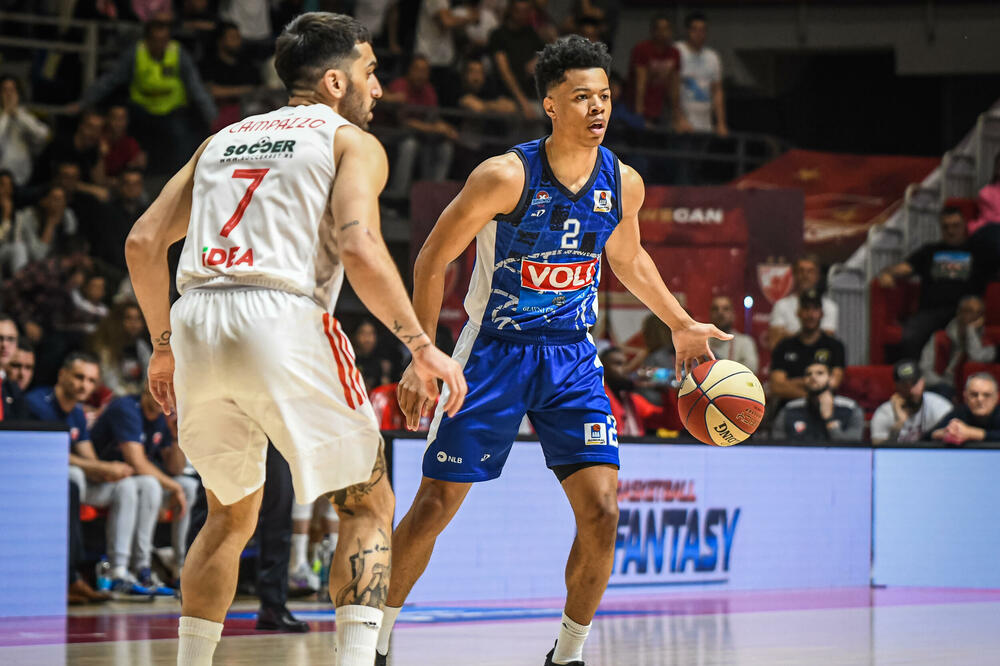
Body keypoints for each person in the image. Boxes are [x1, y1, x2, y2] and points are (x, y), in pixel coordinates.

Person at [123, 13, 465, 665]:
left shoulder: (221, 140)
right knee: (367, 503)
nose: (379, 89)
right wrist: (421, 345)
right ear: (336, 82)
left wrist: (163, 345)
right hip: (282, 312)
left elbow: (142, 241)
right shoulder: (350, 142)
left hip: (196, 319)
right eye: (370, 73)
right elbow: (359, 246)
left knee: (228, 514)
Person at [378, 36, 729, 666]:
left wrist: (679, 322)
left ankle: (567, 656)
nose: (597, 109)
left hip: (572, 358)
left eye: (605, 97)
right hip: (493, 353)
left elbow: (628, 257)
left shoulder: (622, 181)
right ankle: (372, 645)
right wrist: (421, 352)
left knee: (603, 511)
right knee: (434, 505)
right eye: (582, 97)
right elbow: (433, 257)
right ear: (550, 104)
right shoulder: (505, 176)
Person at [27, 353, 153, 594]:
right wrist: (103, 468)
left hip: (77, 486)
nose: (84, 385)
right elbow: (50, 454)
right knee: (73, 475)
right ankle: (70, 571)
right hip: (44, 484)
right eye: (79, 377)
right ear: (62, 374)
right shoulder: (37, 403)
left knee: (126, 486)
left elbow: (90, 460)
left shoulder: (76, 412)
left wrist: (109, 472)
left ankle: (119, 571)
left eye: (91, 380)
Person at [90, 387, 199, 591]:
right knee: (151, 485)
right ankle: (135, 568)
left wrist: (176, 435)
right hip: (103, 479)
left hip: (135, 481)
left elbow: (175, 468)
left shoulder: (162, 417)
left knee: (190, 487)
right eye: (160, 391)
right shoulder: (126, 408)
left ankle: (180, 567)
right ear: (148, 388)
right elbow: (137, 462)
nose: (165, 399)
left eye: (171, 394)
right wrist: (173, 487)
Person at [76, 18, 216, 174]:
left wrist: (212, 117)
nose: (160, 44)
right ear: (147, 39)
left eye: (164, 40)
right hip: (140, 109)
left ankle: (181, 178)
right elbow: (111, 79)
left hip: (172, 110)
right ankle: (123, 174)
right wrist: (83, 102)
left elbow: (195, 86)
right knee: (118, 124)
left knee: (183, 138)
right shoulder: (136, 52)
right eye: (156, 40)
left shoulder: (178, 53)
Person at [878, 206, 983, 359]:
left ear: (964, 225)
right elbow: (903, 268)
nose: (951, 231)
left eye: (955, 226)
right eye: (946, 227)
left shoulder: (977, 251)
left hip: (962, 311)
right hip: (930, 311)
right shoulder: (930, 251)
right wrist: (886, 273)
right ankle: (911, 373)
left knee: (967, 335)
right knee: (910, 336)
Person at [382, 55, 458, 198]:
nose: (421, 74)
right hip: (394, 135)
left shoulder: (428, 90)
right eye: (417, 70)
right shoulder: (400, 86)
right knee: (410, 145)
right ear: (409, 71)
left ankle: (433, 196)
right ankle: (398, 196)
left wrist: (446, 128)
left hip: (422, 137)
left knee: (445, 147)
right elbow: (405, 123)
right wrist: (435, 129)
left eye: (425, 71)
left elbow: (433, 118)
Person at [769, 291, 846, 402]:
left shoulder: (835, 346)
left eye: (815, 309)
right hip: (789, 407)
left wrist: (795, 382)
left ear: (822, 314)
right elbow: (777, 387)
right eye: (806, 309)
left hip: (825, 406)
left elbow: (833, 383)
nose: (811, 315)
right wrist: (814, 390)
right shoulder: (784, 346)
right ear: (798, 313)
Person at [919, 295, 996, 397]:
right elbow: (924, 368)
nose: (974, 316)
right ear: (959, 313)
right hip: (937, 387)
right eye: (969, 311)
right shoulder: (939, 337)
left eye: (978, 313)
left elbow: (977, 358)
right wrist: (943, 384)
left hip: (970, 393)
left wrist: (970, 331)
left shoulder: (987, 343)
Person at [772, 361, 863, 443]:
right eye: (808, 374)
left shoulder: (850, 408)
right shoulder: (790, 409)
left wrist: (829, 419)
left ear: (831, 378)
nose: (813, 377)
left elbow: (853, 447)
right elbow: (777, 445)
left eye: (820, 373)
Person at [199, 21, 263, 131]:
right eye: (232, 37)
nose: (237, 41)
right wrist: (245, 91)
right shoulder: (208, 64)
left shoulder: (247, 64)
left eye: (238, 37)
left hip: (248, 115)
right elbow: (211, 91)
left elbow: (260, 89)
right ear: (220, 41)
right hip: (218, 116)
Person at [870, 360, 952, 445]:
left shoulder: (939, 405)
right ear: (895, 386)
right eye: (904, 385)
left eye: (914, 383)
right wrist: (898, 424)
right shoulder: (884, 412)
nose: (911, 390)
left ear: (922, 382)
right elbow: (877, 448)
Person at [488, 0, 546, 119]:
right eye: (519, 11)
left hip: (531, 95)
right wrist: (523, 102)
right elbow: (505, 72)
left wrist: (537, 60)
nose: (523, 15)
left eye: (526, 11)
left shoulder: (531, 33)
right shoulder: (498, 35)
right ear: (511, 11)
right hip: (506, 95)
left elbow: (545, 53)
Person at [767, 255, 838, 349]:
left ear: (817, 275)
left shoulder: (829, 307)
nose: (805, 275)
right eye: (801, 271)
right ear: (794, 274)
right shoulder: (781, 305)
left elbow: (826, 343)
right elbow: (775, 343)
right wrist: (810, 335)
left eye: (810, 271)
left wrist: (787, 335)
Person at [676, 11, 727, 136]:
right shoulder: (677, 51)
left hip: (705, 125)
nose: (699, 34)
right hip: (681, 125)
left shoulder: (712, 57)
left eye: (702, 30)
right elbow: (670, 88)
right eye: (695, 30)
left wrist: (721, 122)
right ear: (687, 31)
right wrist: (679, 118)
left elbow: (717, 91)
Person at [628, 15, 682, 128]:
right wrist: (639, 113)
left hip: (661, 108)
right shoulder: (642, 49)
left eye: (666, 29)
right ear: (653, 31)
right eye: (659, 29)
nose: (663, 33)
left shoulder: (674, 53)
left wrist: (677, 115)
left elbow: (674, 85)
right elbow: (640, 83)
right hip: (638, 107)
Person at [90, 301, 152, 397]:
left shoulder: (141, 346)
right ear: (118, 320)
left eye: (138, 319)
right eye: (128, 318)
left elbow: (148, 376)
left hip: (138, 396)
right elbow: (110, 383)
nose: (134, 323)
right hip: (113, 397)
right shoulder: (107, 347)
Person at [0, 75, 52, 186]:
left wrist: (17, 115)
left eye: (12, 90)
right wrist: (6, 114)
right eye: (5, 90)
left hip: (24, 179)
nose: (9, 94)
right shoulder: (2, 117)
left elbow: (43, 135)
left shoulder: (26, 115)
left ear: (18, 93)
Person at [600, 346, 663, 437]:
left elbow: (670, 422)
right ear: (603, 369)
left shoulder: (633, 399)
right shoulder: (596, 397)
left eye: (626, 364)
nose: (625, 369)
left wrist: (665, 392)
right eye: (618, 364)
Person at [927, 372, 1000, 445]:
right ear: (965, 396)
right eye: (974, 395)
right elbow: (928, 436)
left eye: (986, 395)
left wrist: (971, 433)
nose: (980, 399)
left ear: (997, 397)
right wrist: (946, 433)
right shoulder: (959, 413)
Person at [708, 295, 759, 373]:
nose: (720, 313)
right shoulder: (702, 342)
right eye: (715, 309)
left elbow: (750, 371)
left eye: (725, 309)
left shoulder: (745, 342)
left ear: (733, 314)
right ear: (710, 314)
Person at [103, 105, 147, 179]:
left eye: (122, 118)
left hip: (120, 182)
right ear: (107, 119)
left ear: (127, 121)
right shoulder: (98, 140)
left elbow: (133, 171)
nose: (118, 123)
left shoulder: (131, 143)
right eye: (114, 118)